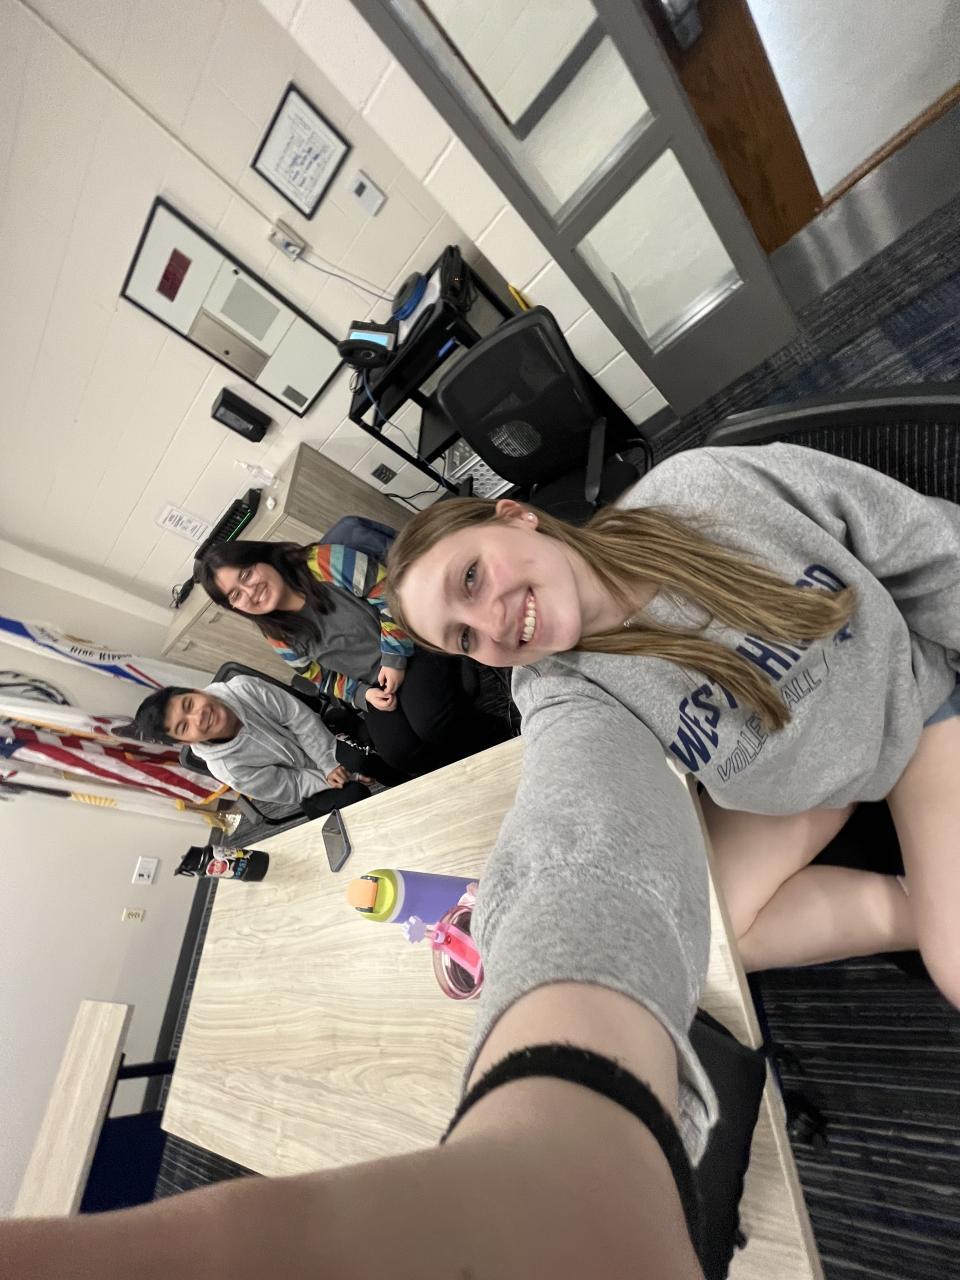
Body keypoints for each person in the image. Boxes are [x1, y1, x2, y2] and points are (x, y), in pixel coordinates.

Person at [387, 443, 960, 1010]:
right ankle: (924, 906)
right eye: (465, 637)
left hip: (909, 717)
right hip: (797, 786)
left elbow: (924, 546)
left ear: (516, 517)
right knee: (703, 941)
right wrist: (527, 915)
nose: (491, 624)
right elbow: (563, 796)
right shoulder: (555, 687)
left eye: (471, 577)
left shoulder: (706, 491)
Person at [194, 539, 511, 777]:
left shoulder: (322, 561)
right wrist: (362, 695)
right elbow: (320, 678)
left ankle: (508, 738)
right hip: (375, 685)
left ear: (262, 558)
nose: (250, 592)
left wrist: (393, 659)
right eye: (236, 595)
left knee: (433, 725)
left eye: (246, 574)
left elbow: (393, 597)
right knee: (399, 754)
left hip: (412, 641)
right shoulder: (276, 633)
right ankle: (473, 775)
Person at [131, 675, 401, 811]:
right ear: (185, 741)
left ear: (195, 691)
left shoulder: (243, 688)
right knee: (351, 796)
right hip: (306, 783)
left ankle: (404, 779)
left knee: (364, 759)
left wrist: (330, 763)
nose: (198, 717)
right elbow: (289, 786)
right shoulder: (226, 768)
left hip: (322, 737)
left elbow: (299, 719)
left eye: (189, 704)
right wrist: (340, 777)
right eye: (184, 726)